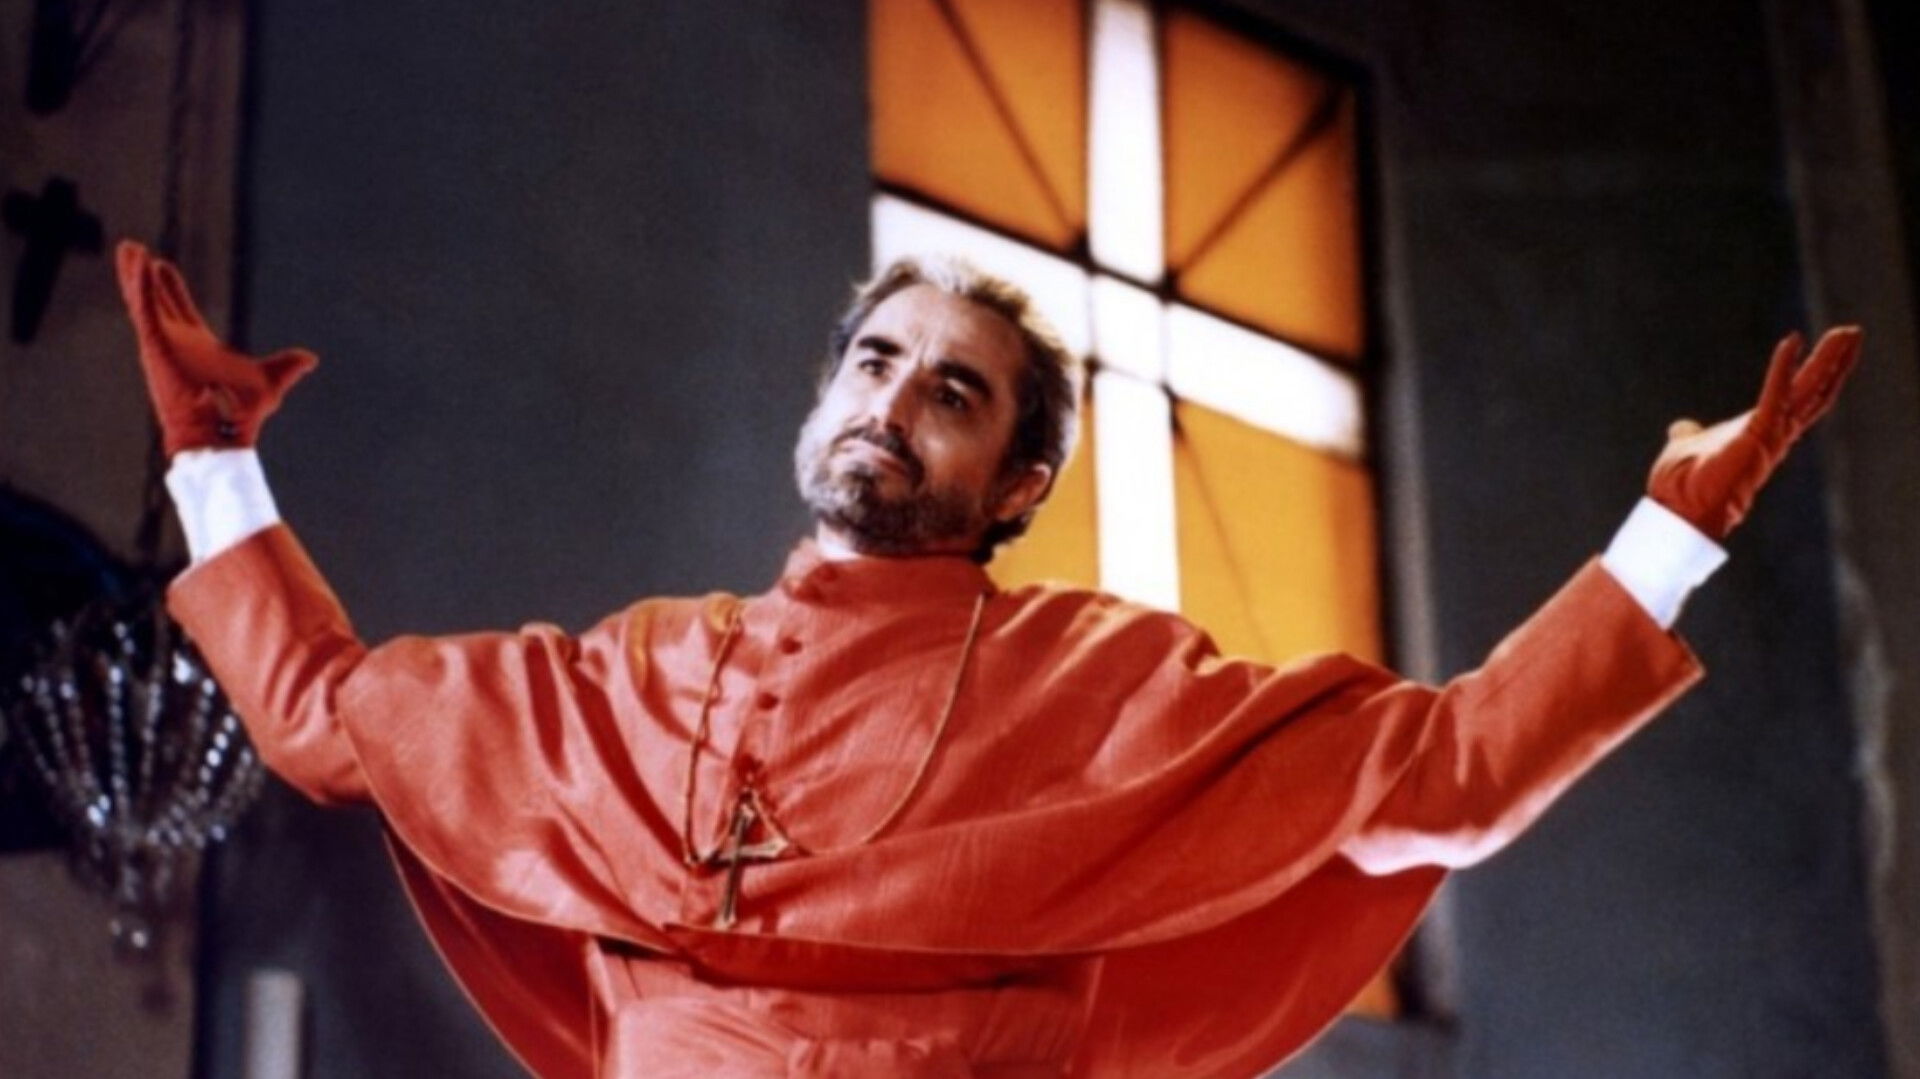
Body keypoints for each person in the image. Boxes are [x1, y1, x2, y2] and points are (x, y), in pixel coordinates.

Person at [116, 239, 1861, 1078]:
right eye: (874, 364)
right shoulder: (636, 672)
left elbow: (1456, 774)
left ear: (1019, 483)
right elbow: (331, 720)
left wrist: (1673, 527)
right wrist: (210, 457)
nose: (894, 403)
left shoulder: (1108, 692)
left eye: (953, 392)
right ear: (821, 400)